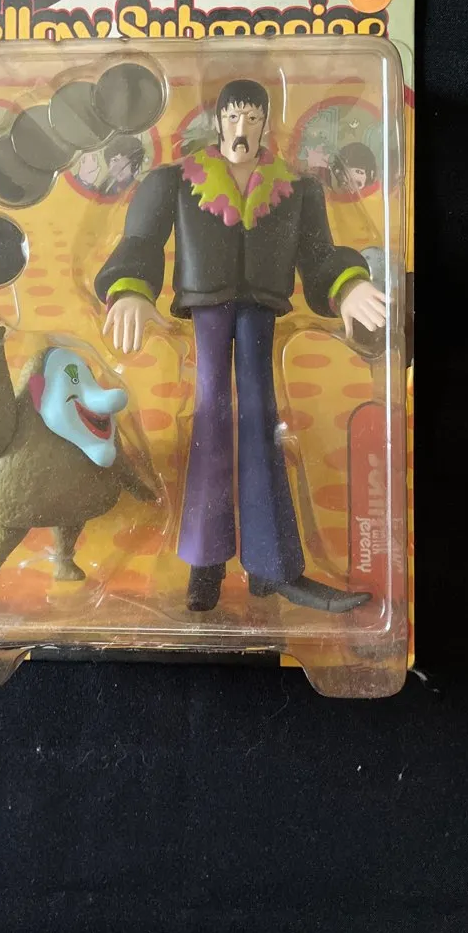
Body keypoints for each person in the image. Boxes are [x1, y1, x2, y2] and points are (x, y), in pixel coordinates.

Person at [95, 79, 386, 613]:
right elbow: (140, 240)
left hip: (262, 310)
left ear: (265, 124)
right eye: (233, 117)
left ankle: (271, 567)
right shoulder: (175, 181)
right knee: (210, 416)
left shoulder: (298, 191)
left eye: (252, 119)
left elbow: (319, 256)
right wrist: (131, 291)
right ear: (218, 122)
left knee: (261, 420)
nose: (242, 129)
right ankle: (205, 563)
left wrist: (349, 286)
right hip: (205, 310)